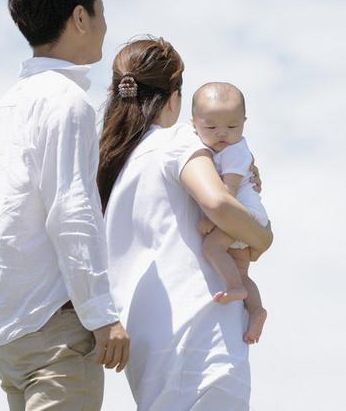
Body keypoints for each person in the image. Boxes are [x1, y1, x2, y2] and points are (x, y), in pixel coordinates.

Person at [0, 0, 129, 411]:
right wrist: (101, 314)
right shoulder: (67, 101)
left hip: (10, 329)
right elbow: (71, 209)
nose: (105, 25)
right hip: (54, 328)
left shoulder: (6, 106)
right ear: (80, 17)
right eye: (101, 12)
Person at [98, 37, 273, 411]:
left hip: (152, 352)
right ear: (173, 98)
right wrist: (263, 237)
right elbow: (217, 203)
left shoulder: (115, 170)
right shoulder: (177, 140)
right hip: (203, 344)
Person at [192, 82, 269, 345]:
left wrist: (210, 220)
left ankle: (234, 288)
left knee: (211, 248)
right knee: (241, 271)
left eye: (232, 126)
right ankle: (256, 311)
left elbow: (228, 192)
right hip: (242, 217)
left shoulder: (235, 151)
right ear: (194, 124)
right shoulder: (219, 149)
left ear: (244, 123)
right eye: (211, 128)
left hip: (243, 215)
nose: (222, 133)